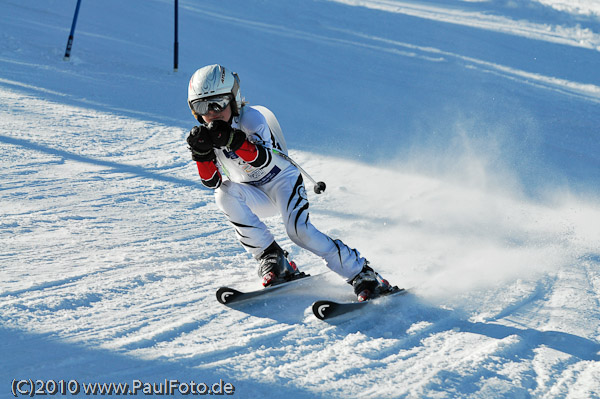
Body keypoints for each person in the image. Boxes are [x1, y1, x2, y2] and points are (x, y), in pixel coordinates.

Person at [185, 64, 393, 301]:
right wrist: (202, 155)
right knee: (223, 194)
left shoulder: (251, 118)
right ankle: (272, 258)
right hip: (256, 194)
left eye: (218, 103)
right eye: (201, 107)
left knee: (299, 232)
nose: (211, 112)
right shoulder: (207, 134)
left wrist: (233, 140)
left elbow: (262, 161)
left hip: (282, 182)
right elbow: (213, 182)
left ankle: (362, 274)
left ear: (233, 100)